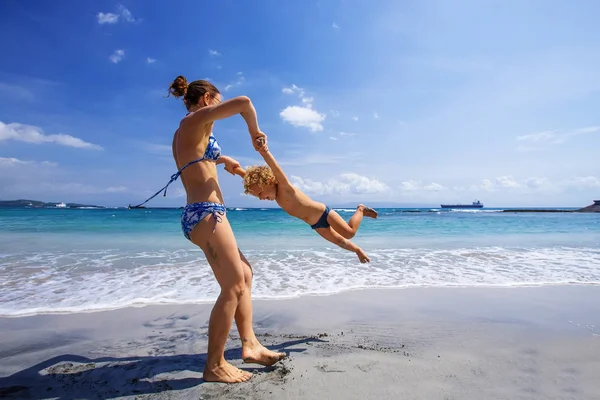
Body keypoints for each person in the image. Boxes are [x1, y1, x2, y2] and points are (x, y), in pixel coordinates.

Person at [148, 76, 285, 383]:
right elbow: (245, 103)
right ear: (208, 99)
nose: (220, 108)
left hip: (210, 212)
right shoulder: (193, 121)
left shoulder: (190, 130)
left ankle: (250, 345)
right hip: (204, 213)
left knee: (245, 275)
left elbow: (195, 157)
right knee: (234, 285)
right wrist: (255, 133)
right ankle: (214, 365)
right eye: (218, 102)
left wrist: (225, 160)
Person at [222, 139, 377, 263]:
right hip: (315, 224)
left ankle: (361, 209)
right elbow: (250, 179)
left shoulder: (285, 187)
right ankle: (358, 250)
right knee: (340, 242)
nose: (262, 198)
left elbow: (275, 168)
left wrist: (264, 151)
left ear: (269, 181)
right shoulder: (266, 189)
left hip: (324, 214)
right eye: (258, 196)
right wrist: (235, 169)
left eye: (261, 193)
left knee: (349, 233)